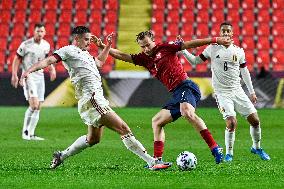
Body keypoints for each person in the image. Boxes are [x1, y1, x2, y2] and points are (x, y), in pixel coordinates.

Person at [19, 26, 171, 170]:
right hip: (92, 99)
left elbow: (99, 62)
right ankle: (152, 162)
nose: (89, 43)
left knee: (93, 139)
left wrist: (107, 46)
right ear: (76, 38)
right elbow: (47, 61)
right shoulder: (68, 50)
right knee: (124, 128)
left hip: (95, 99)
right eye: (86, 39)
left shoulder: (85, 54)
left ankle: (61, 155)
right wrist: (28, 72)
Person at [94, 30, 232, 164]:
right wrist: (103, 46)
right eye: (142, 46)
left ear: (153, 41)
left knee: (187, 112)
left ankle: (215, 147)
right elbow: (122, 55)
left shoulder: (165, 48)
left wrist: (215, 40)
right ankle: (157, 159)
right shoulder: (144, 58)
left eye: (148, 44)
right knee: (157, 122)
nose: (146, 48)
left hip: (186, 86)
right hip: (176, 93)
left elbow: (189, 44)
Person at [181, 22, 270, 162]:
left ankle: (257, 147)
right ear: (220, 33)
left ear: (232, 33)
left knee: (255, 121)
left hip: (237, 90)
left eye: (228, 31)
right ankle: (229, 153)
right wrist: (183, 50)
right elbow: (195, 61)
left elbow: (244, 72)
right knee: (231, 122)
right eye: (223, 31)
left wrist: (251, 92)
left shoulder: (239, 51)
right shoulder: (212, 48)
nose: (226, 33)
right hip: (222, 93)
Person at [11, 23, 56, 141]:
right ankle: (25, 133)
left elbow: (47, 59)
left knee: (39, 107)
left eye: (42, 31)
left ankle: (31, 134)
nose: (40, 33)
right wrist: (15, 75)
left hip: (40, 77)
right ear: (34, 32)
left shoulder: (46, 45)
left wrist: (52, 69)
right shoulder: (26, 45)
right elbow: (17, 59)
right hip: (28, 76)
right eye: (38, 31)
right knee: (34, 105)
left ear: (44, 33)